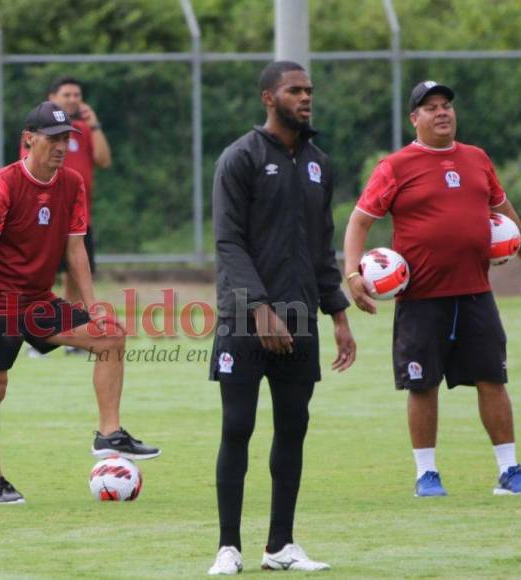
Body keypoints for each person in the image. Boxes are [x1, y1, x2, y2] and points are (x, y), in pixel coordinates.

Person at [0, 101, 159, 504]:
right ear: (28, 140)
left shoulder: (71, 184)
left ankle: (108, 434)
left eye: (66, 138)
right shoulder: (3, 185)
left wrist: (93, 304)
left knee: (110, 338)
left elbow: (76, 250)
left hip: (38, 301)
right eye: (53, 138)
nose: (62, 146)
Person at [207, 61, 356, 575]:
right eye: (296, 90)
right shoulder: (240, 158)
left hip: (301, 319)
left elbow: (321, 247)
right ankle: (228, 547)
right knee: (238, 426)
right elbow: (228, 242)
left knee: (293, 427)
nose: (306, 97)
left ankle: (280, 546)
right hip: (245, 318)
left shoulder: (319, 162)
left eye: (310, 89)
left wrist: (337, 312)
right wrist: (261, 308)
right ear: (269, 97)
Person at [344, 80, 521, 497]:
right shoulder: (396, 166)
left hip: (475, 293)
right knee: (422, 385)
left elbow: (503, 211)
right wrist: (352, 274)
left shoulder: (477, 159)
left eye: (446, 105)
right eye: (430, 107)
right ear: (414, 119)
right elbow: (359, 221)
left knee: (492, 379)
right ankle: (427, 474)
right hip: (421, 298)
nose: (441, 112)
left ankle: (510, 470)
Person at [21, 76, 111, 356]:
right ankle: (40, 333)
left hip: (80, 219)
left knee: (76, 274)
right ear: (52, 97)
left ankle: (71, 337)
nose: (73, 99)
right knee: (43, 277)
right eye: (67, 94)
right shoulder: (38, 133)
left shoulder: (82, 131)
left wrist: (94, 124)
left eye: (77, 94)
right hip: (46, 218)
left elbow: (104, 160)